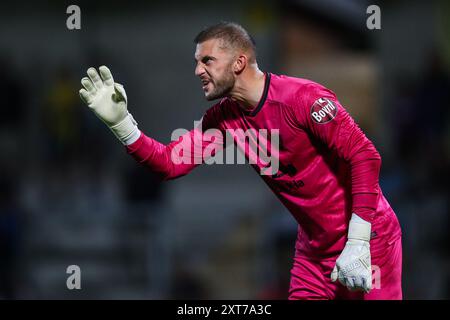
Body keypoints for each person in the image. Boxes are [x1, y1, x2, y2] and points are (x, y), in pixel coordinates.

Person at [79, 22, 402, 300]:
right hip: (315, 249)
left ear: (239, 62)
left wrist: (358, 241)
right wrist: (122, 125)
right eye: (196, 61)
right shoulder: (223, 119)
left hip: (370, 237)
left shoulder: (303, 98)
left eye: (207, 60)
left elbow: (365, 156)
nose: (197, 71)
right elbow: (169, 163)